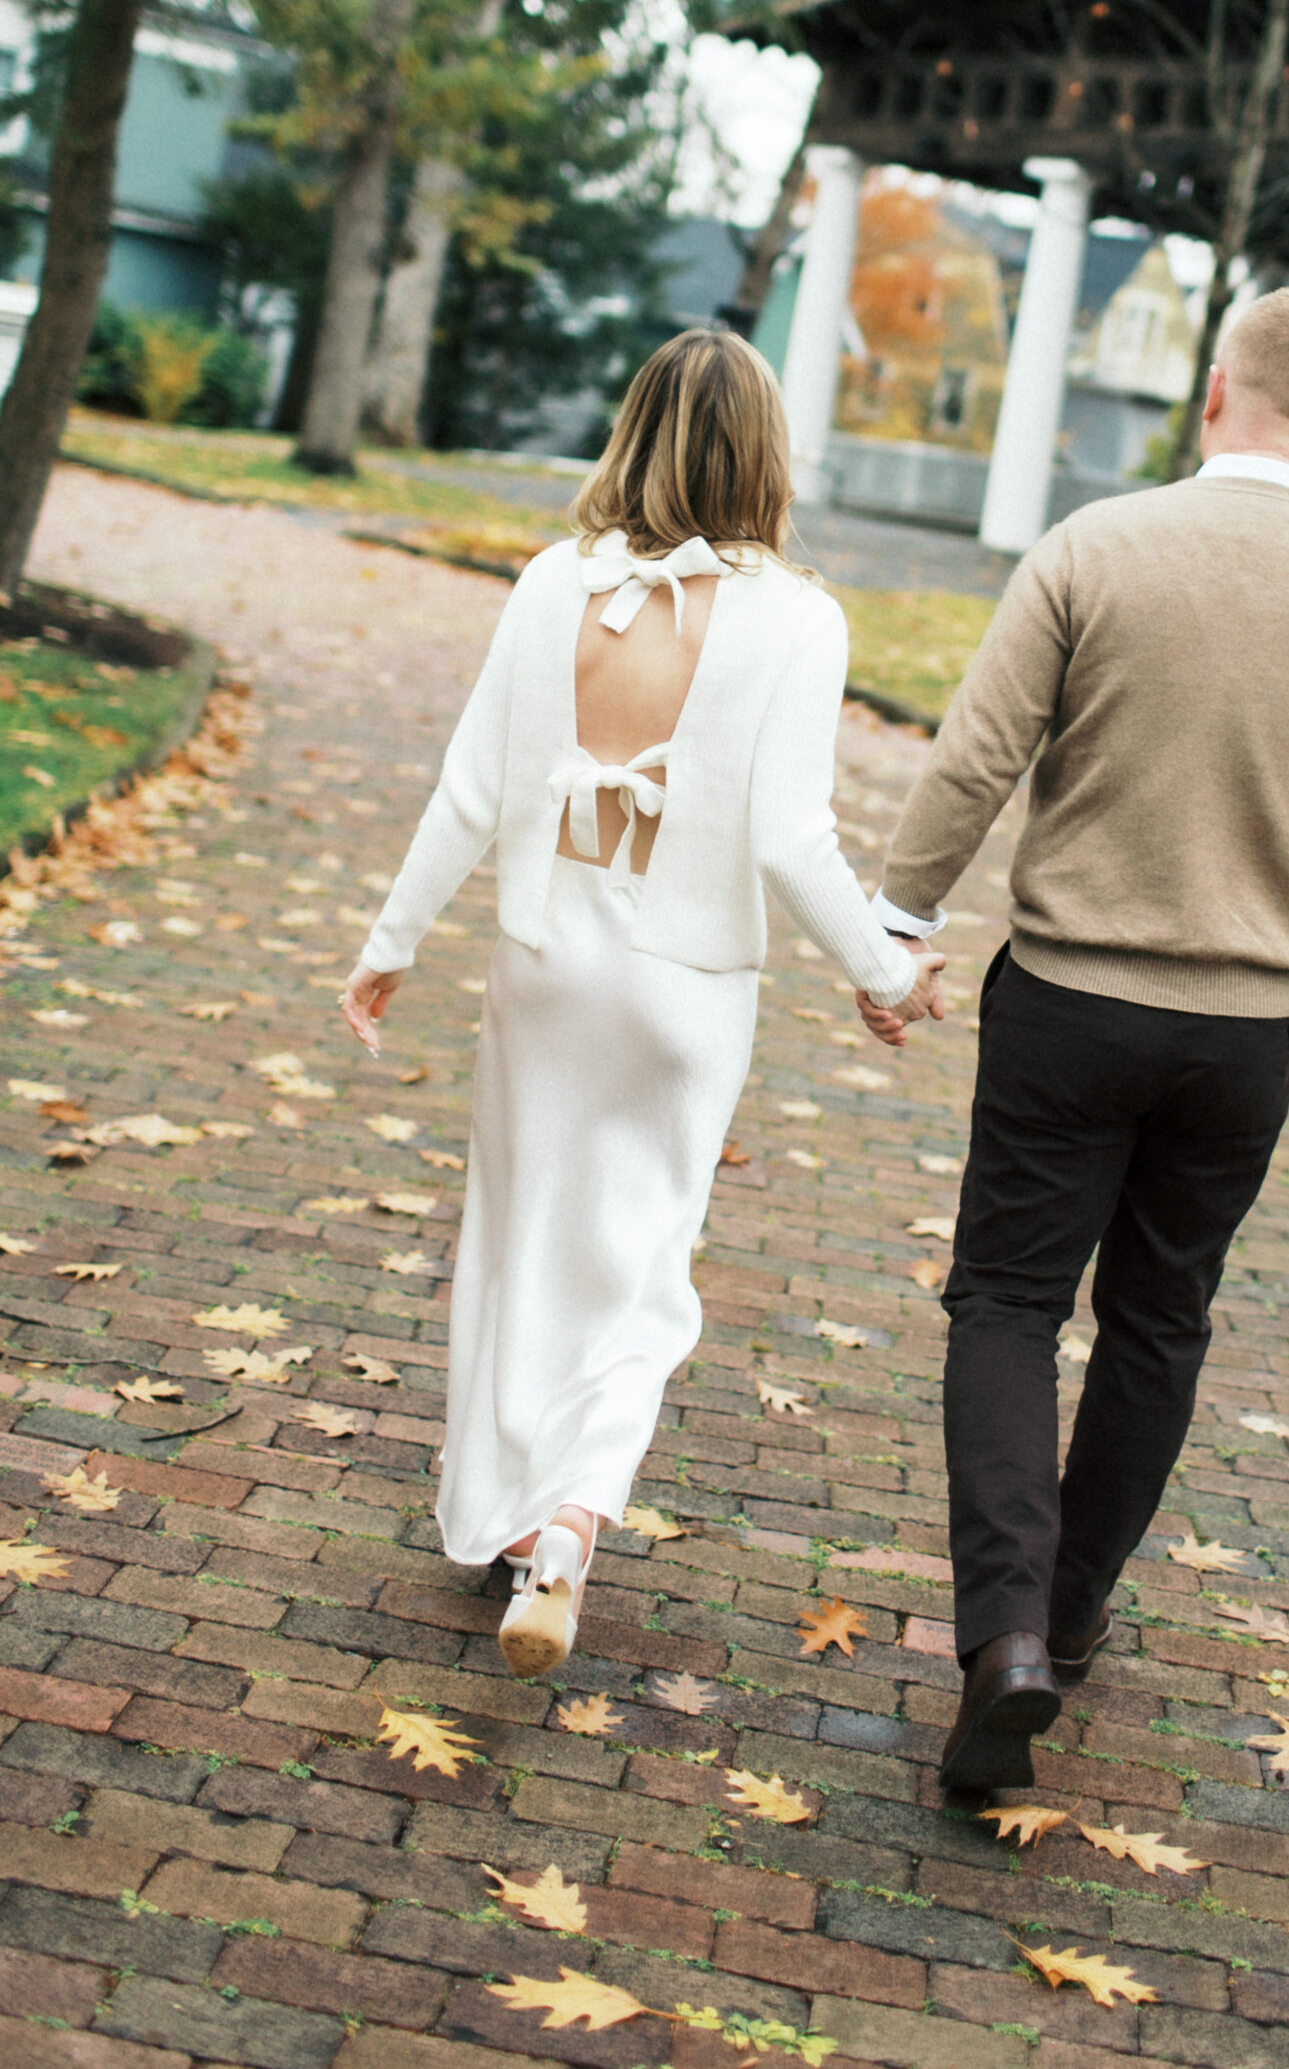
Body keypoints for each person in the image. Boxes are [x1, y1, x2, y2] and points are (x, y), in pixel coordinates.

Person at [856, 288, 1289, 1793]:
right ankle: (1071, 1609)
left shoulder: (1093, 549)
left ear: (1212, 395)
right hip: (1245, 1027)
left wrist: (896, 923)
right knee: (1158, 1321)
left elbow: (977, 753)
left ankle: (1002, 1640)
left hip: (1064, 999)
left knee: (1002, 1301)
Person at [341, 331, 944, 1676]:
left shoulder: (556, 581)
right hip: (684, 990)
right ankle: (567, 1525)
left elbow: (472, 790)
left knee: (519, 1240)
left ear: (633, 433)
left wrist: (392, 942)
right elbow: (792, 837)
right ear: (767, 454)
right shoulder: (797, 615)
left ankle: (499, 1513)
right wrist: (886, 973)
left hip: (543, 964)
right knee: (642, 1263)